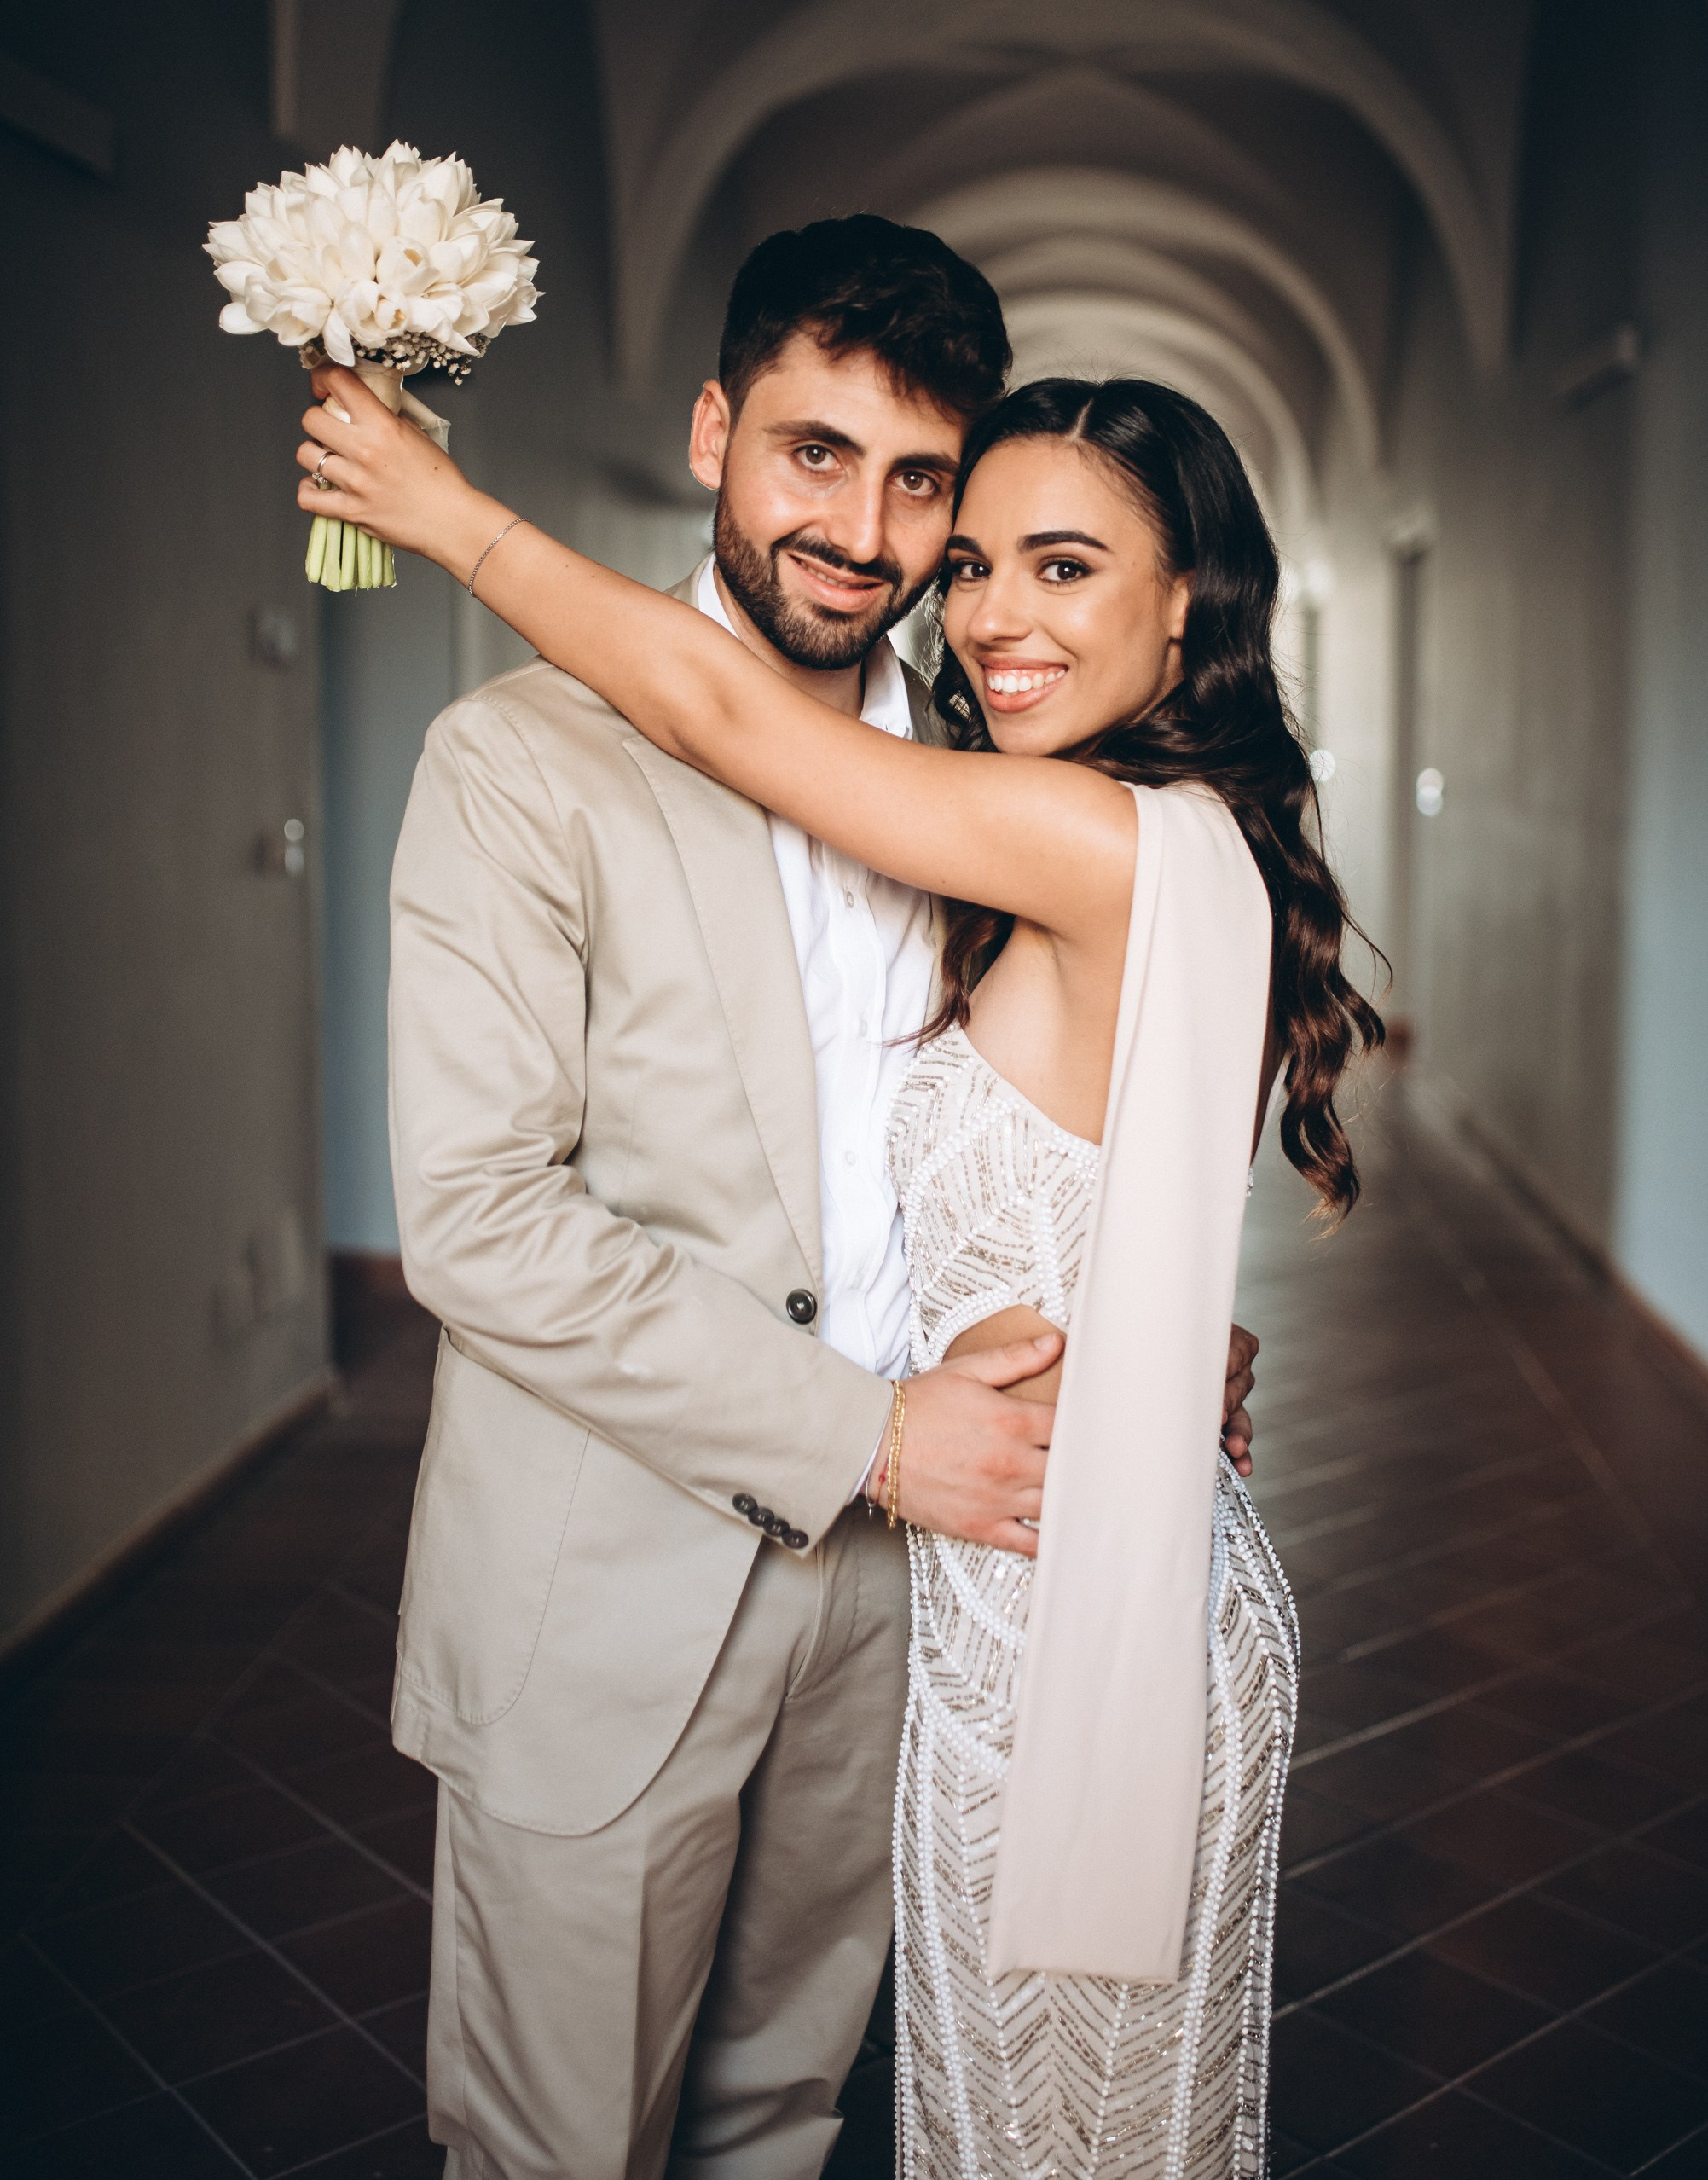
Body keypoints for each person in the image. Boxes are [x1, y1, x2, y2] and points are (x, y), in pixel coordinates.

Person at [321, 219, 1265, 2180]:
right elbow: (481, 1226)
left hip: (899, 1613)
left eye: (922, 480)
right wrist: (875, 1433)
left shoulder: (996, 762)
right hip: (610, 1592)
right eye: (813, 453)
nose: (865, 525)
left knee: (781, 2122)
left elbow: (1057, 1111)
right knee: (554, 2149)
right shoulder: (513, 764)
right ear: (710, 434)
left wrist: (1143, 1320)